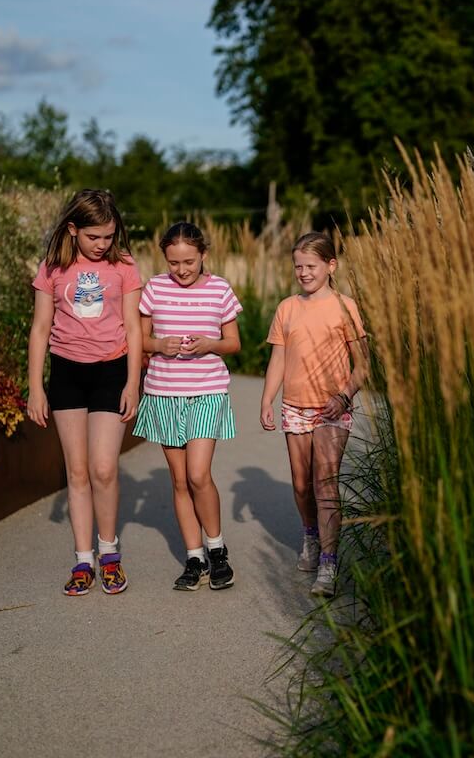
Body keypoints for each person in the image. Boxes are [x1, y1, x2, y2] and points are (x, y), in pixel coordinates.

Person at [27, 189, 142, 596]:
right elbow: (41, 328)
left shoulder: (124, 266)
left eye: (109, 236)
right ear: (73, 229)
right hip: (66, 374)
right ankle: (83, 561)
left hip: (111, 371)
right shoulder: (52, 268)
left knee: (103, 468)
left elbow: (133, 326)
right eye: (95, 237)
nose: (103, 244)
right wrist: (35, 388)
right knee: (76, 472)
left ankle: (109, 553)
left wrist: (132, 381)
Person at [132, 222, 242, 591]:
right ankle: (194, 557)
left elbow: (234, 344)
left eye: (189, 262)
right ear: (164, 257)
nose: (181, 270)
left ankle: (217, 549)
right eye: (174, 262)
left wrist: (210, 344)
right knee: (179, 480)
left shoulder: (220, 289)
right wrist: (159, 345)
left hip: (208, 390)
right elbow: (141, 339)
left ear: (203, 256)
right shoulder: (154, 289)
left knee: (198, 474)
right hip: (163, 392)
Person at [260, 232, 368, 598]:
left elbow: (363, 365)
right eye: (298, 266)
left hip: (332, 407)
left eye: (311, 266)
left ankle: (328, 559)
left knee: (325, 481)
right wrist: (267, 399)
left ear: (330, 266)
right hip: (294, 405)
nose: (303, 273)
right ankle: (310, 534)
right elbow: (277, 357)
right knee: (301, 483)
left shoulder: (344, 306)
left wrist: (344, 395)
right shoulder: (287, 308)